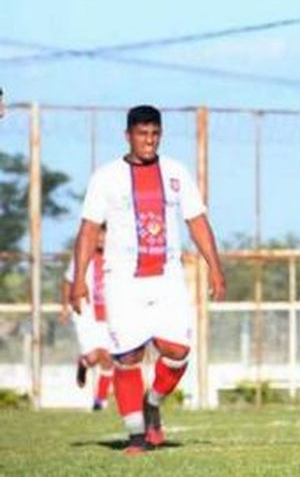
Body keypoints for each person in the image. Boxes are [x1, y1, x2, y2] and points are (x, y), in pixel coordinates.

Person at [70, 105, 227, 456]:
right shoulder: (106, 177)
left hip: (167, 277)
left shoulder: (175, 173)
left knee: (178, 351)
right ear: (129, 136)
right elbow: (89, 228)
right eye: (142, 134)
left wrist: (214, 267)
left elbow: (197, 221)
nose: (149, 141)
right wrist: (78, 278)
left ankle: (152, 401)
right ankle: (137, 437)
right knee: (128, 357)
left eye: (154, 134)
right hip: (122, 279)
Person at [59, 222, 113, 410]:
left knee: (107, 357)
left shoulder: (116, 257)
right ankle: (83, 363)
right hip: (86, 311)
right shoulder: (81, 257)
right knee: (93, 357)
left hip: (109, 314)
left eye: (104, 236)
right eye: (98, 235)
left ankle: (100, 400)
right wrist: (65, 306)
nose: (101, 240)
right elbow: (68, 281)